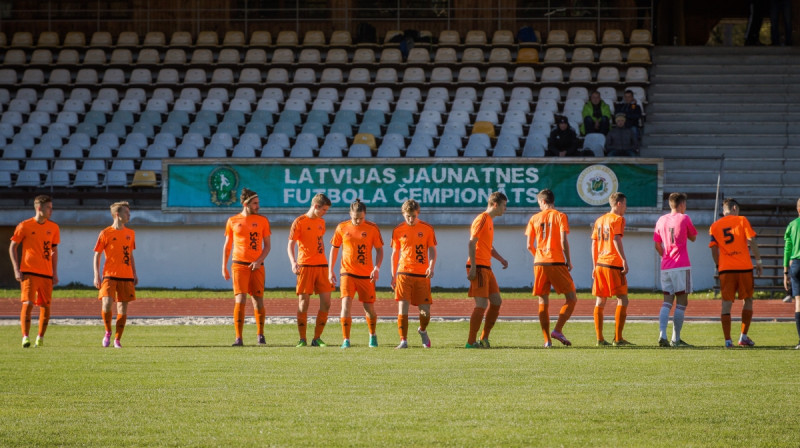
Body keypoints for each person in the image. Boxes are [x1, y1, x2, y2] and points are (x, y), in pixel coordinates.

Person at [525, 189, 577, 348]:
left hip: (539, 263)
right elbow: (563, 241)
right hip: (556, 262)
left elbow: (529, 245)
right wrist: (568, 260)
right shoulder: (560, 216)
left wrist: (538, 257)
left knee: (543, 300)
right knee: (571, 298)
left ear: (542, 202)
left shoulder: (534, 218)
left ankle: (547, 340)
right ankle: (558, 330)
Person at [329, 199, 384, 349]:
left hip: (367, 275)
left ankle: (372, 335)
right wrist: (330, 270)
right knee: (345, 304)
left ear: (365, 215)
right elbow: (334, 248)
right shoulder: (342, 227)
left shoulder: (372, 228)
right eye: (355, 218)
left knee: (369, 309)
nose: (358, 220)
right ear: (350, 214)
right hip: (347, 273)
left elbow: (379, 250)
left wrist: (376, 268)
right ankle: (346, 339)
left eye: (361, 218)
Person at [709, 198, 763, 347]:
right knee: (748, 300)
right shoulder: (742, 220)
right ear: (734, 208)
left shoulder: (715, 226)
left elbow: (713, 248)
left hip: (726, 269)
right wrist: (758, 261)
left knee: (726, 303)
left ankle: (727, 340)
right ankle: (743, 337)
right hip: (744, 268)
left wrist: (719, 264)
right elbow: (751, 240)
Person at [9, 195, 60, 348]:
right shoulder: (24, 226)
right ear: (39, 208)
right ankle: (25, 337)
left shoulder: (54, 228)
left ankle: (40, 338)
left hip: (46, 274)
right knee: (28, 303)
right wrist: (16, 269)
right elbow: (12, 247)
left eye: (52, 207)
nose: (51, 210)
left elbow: (54, 251)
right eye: (48, 208)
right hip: (29, 272)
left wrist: (54, 272)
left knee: (45, 306)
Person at [222, 188, 271, 346]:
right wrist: (224, 266)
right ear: (245, 204)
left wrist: (259, 260)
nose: (258, 206)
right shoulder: (233, 221)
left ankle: (260, 335)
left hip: (257, 267)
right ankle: (238, 338)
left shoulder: (263, 221)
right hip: (239, 265)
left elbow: (267, 246)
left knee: (258, 301)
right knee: (240, 299)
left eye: (258, 203)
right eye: (255, 203)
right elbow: (227, 246)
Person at [390, 199, 437, 349]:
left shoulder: (427, 229)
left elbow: (432, 250)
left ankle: (422, 330)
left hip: (422, 275)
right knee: (402, 308)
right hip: (403, 273)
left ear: (418, 214)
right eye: (408, 216)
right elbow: (394, 254)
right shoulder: (398, 230)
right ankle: (403, 340)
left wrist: (430, 266)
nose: (411, 219)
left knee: (425, 312)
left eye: (413, 216)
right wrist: (393, 275)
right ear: (403, 214)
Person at [288, 193, 333, 348]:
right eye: (324, 210)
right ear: (315, 206)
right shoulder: (299, 221)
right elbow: (291, 245)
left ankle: (317, 338)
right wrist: (293, 262)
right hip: (305, 266)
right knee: (303, 304)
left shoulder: (321, 222)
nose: (325, 213)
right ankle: (302, 339)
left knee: (326, 303)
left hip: (322, 266)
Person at [653, 193, 698, 347]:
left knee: (667, 301)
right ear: (681, 204)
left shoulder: (661, 220)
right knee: (681, 302)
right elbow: (693, 237)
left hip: (666, 266)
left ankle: (662, 334)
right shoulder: (684, 218)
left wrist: (665, 255)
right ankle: (675, 339)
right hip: (681, 265)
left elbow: (657, 245)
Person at [465, 191, 509, 348]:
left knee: (496, 302)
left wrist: (501, 259)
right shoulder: (483, 218)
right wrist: (474, 267)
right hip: (479, 267)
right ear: (495, 204)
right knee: (482, 305)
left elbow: (487, 247)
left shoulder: (490, 221)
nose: (505, 209)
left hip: (487, 267)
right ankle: (470, 342)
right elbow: (471, 243)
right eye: (504, 205)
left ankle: (484, 337)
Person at [93, 201, 138, 349]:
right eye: (126, 212)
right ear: (118, 215)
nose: (129, 214)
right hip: (109, 275)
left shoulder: (130, 233)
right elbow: (97, 255)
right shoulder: (105, 233)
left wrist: (135, 273)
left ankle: (117, 339)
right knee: (106, 303)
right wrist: (96, 275)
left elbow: (130, 255)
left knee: (122, 308)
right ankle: (107, 331)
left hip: (126, 276)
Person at [591, 192, 631, 346]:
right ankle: (618, 338)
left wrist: (594, 265)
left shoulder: (600, 220)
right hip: (613, 264)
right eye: (625, 204)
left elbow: (594, 244)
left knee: (600, 301)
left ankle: (600, 339)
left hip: (600, 264)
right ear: (619, 203)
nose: (626, 208)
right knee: (623, 299)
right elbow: (616, 239)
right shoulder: (618, 219)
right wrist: (624, 260)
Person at [783, 198, 800, 350]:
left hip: (796, 264)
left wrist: (785, 271)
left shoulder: (792, 225)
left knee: (798, 303)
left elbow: (787, 248)